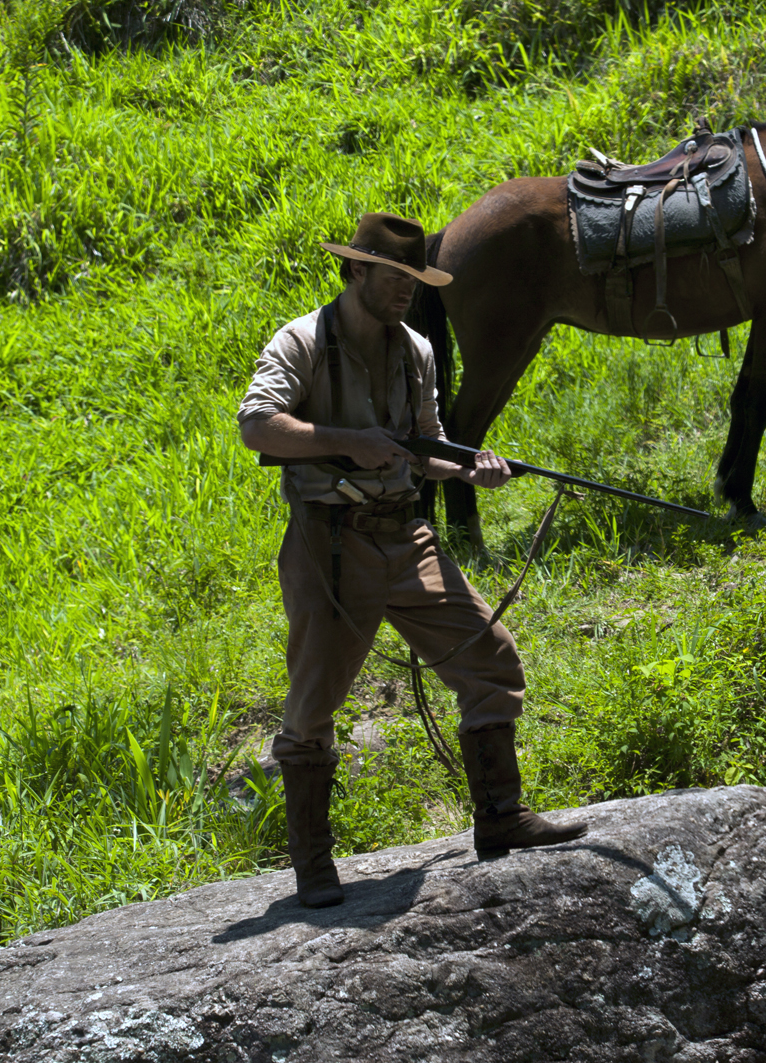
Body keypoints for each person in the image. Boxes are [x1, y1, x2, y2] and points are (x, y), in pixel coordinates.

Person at [237, 212, 587, 909]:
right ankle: (312, 866)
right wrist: (348, 441)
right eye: (394, 277)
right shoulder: (302, 341)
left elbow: (425, 445)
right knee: (313, 704)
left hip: (406, 536)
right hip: (328, 544)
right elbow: (256, 424)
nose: (406, 291)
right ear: (356, 270)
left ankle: (500, 819)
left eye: (414, 279)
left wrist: (466, 471)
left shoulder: (417, 349)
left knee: (489, 658)